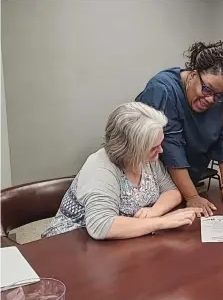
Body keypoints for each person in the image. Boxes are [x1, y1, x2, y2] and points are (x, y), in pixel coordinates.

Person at [42, 102, 201, 240]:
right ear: (130, 149)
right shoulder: (100, 168)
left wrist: (154, 211)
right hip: (72, 244)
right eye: (153, 147)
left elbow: (171, 192)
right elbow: (101, 226)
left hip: (124, 240)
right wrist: (162, 222)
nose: (160, 151)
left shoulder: (146, 159)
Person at [136, 40, 223, 217]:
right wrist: (192, 196)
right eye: (207, 89)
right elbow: (171, 148)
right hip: (150, 185)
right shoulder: (163, 90)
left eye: (218, 95)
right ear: (193, 75)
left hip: (187, 182)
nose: (211, 99)